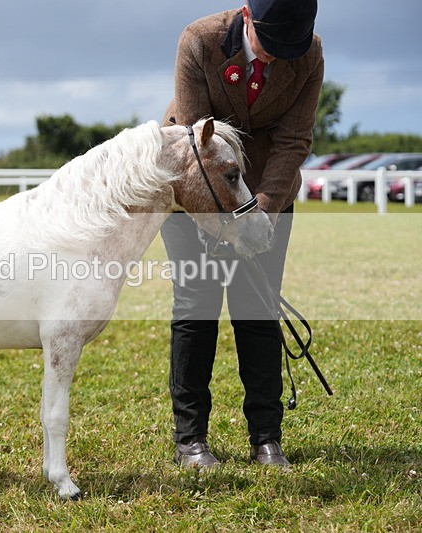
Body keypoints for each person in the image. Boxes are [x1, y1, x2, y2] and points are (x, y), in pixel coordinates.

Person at [160, 0, 323, 468]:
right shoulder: (199, 40)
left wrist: (263, 218)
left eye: (286, 49)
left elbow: (294, 141)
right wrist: (223, 222)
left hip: (267, 192)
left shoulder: (309, 55)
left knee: (259, 306)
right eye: (268, 45)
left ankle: (266, 437)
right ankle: (191, 440)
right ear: (248, 15)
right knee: (197, 305)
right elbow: (197, 139)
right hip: (198, 187)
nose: (275, 57)